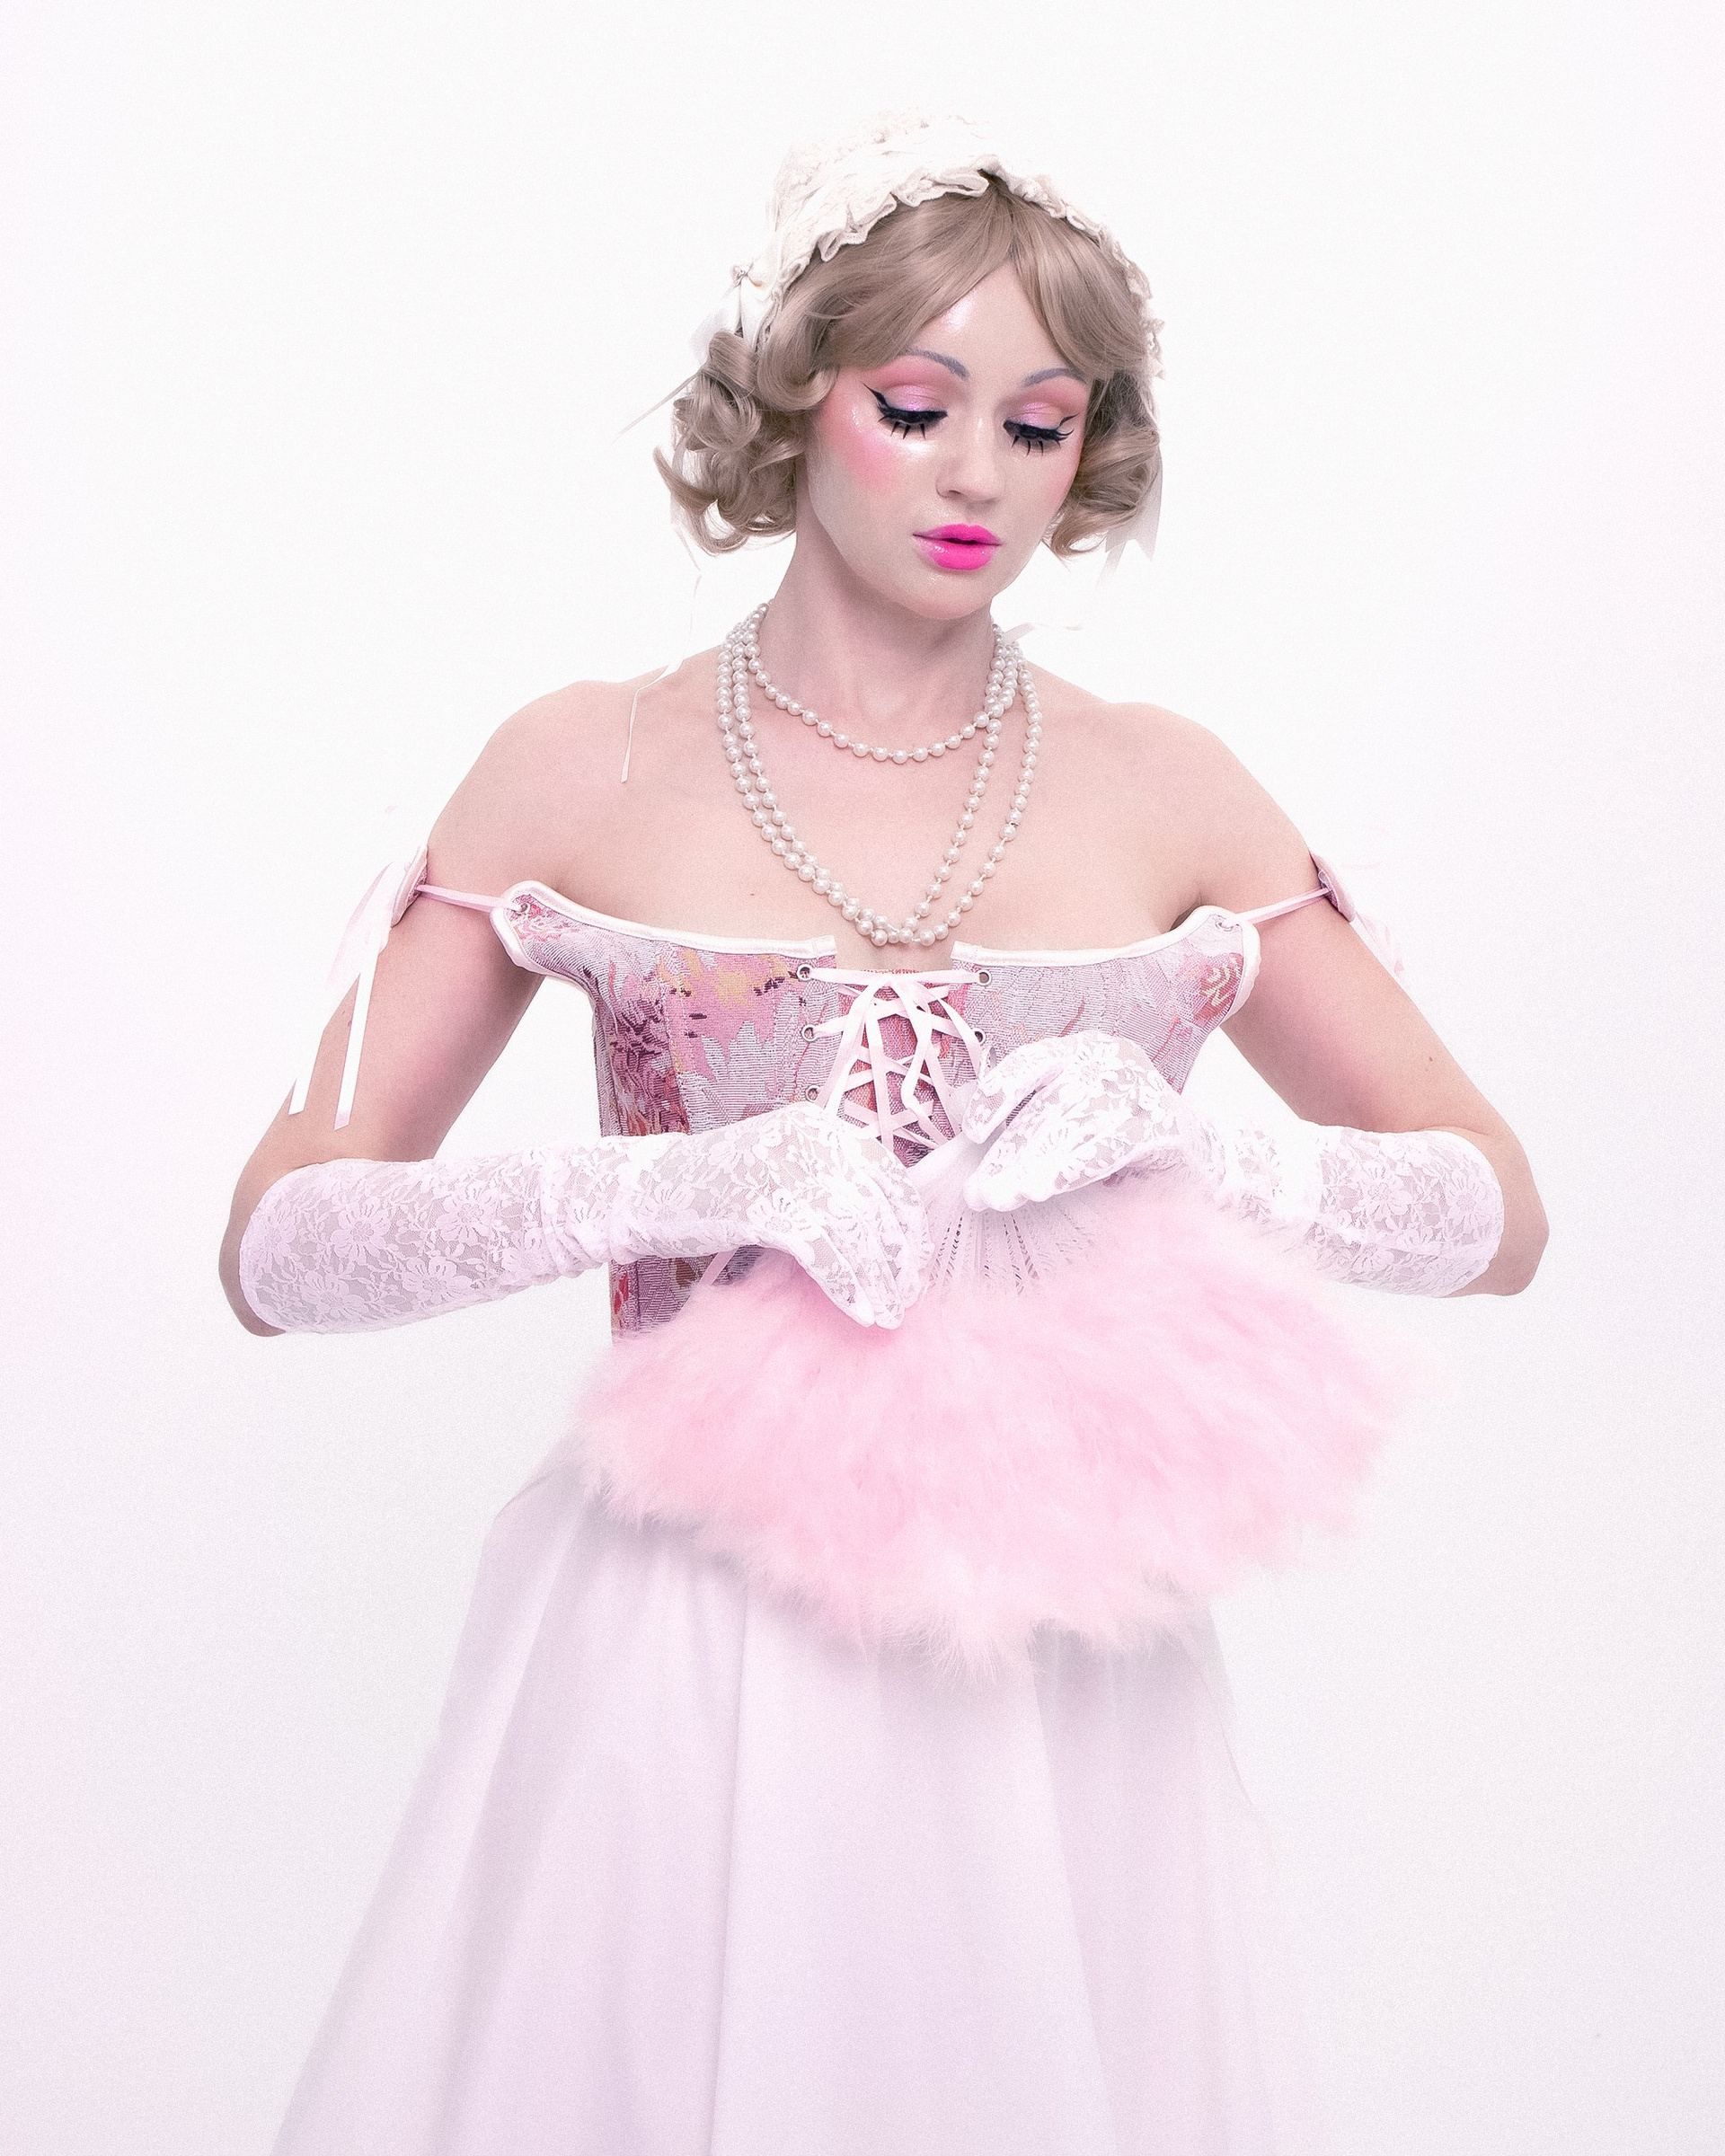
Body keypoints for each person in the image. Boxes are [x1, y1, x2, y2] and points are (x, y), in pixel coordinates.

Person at [221, 111, 1546, 2156]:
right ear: (795, 394)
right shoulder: (584, 763)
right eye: (917, 407)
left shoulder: (1170, 788)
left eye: (1040, 424)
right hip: (691, 1637)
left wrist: (1206, 1156)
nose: (976, 476)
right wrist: (680, 1181)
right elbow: (277, 1251)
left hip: (1065, 1659)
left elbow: (1495, 1210)